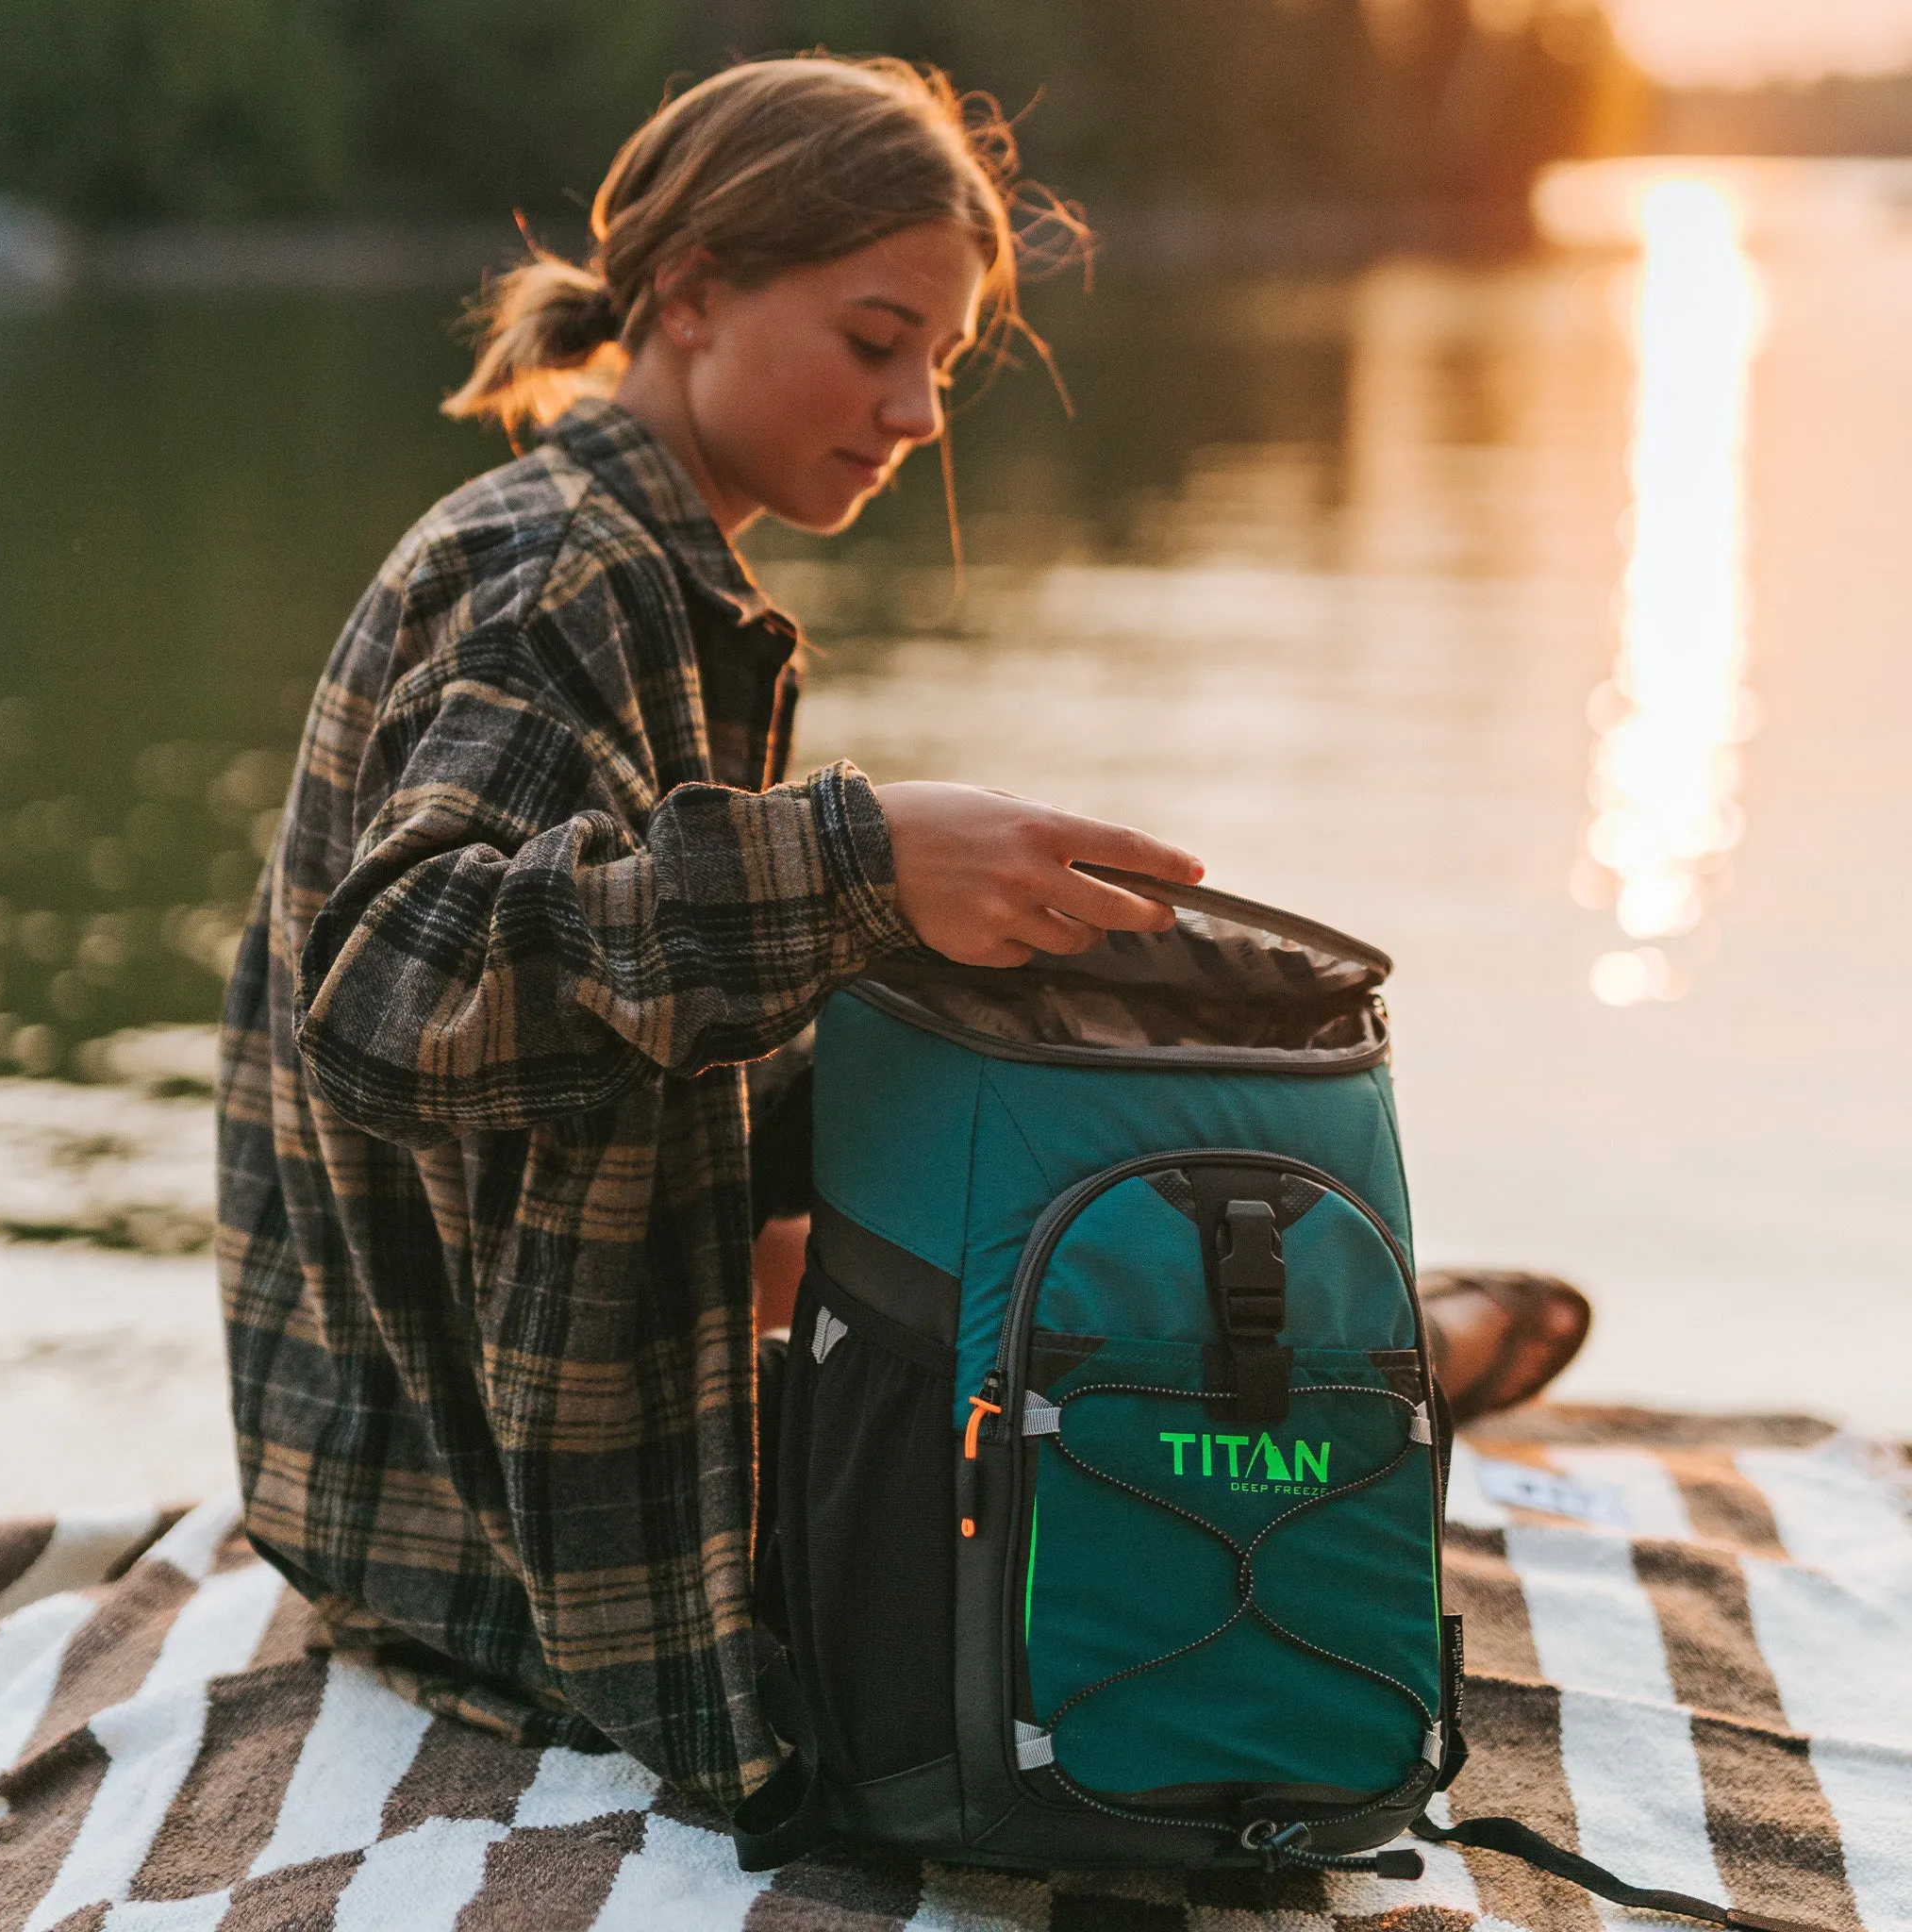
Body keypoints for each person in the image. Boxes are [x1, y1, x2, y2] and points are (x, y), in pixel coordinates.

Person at [217, 54, 1586, 1816]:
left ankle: (1347, 1342)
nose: (921, 414)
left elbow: (646, 1029)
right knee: (1106, 1527)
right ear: (693, 294)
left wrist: (945, 955)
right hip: (491, 1531)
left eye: (940, 359)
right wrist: (855, 860)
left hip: (443, 1447)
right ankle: (1395, 1354)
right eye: (877, 341)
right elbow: (396, 995)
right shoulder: (569, 581)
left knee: (1046, 1159)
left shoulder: (633, 551)